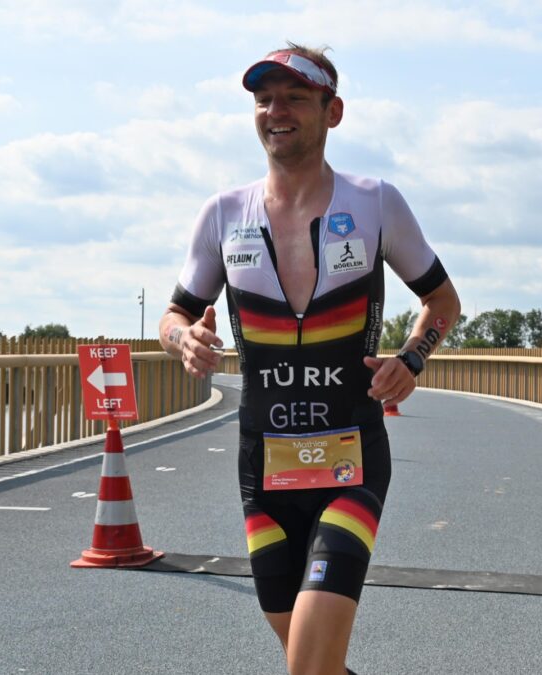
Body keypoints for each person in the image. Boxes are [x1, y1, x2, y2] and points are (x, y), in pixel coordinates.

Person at [159, 42, 460, 675]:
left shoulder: (375, 202)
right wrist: (183, 339)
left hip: (350, 464)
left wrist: (412, 358)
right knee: (313, 661)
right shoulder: (222, 214)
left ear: (333, 111)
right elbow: (174, 315)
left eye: (295, 97)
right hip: (263, 474)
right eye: (264, 99)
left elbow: (441, 301)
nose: (277, 111)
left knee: (307, 668)